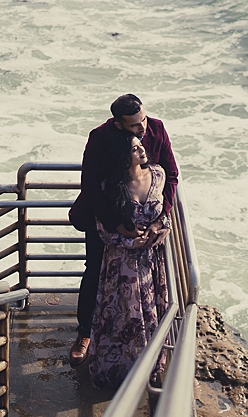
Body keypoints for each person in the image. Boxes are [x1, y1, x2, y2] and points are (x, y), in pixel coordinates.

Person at [68, 94, 178, 366]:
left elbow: (171, 175)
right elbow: (91, 186)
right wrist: (115, 225)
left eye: (143, 120)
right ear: (118, 124)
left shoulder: (156, 127)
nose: (143, 129)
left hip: (146, 219)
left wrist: (159, 219)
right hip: (104, 217)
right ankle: (85, 333)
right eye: (135, 126)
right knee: (95, 271)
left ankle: (145, 341)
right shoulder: (99, 137)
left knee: (145, 282)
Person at [86, 130, 170, 388]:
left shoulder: (158, 175)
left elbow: (165, 214)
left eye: (141, 145)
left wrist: (160, 229)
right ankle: (118, 374)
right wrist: (130, 242)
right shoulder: (109, 187)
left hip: (151, 261)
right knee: (121, 319)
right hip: (121, 263)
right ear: (123, 159)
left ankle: (148, 370)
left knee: (151, 316)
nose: (142, 150)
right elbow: (104, 230)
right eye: (135, 149)